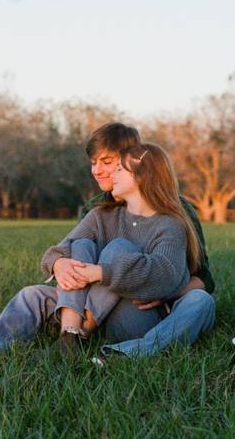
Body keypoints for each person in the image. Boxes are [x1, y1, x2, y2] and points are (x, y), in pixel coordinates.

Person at [0, 136, 214, 360]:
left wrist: (100, 273)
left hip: (136, 317)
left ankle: (122, 351)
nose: (110, 175)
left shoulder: (170, 223)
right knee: (34, 292)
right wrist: (60, 263)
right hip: (91, 306)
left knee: (200, 301)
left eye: (118, 169)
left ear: (143, 176)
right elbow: (59, 250)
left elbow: (166, 274)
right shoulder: (100, 214)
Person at [77, 123, 216, 362]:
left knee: (202, 301)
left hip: (158, 307)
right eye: (93, 162)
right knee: (117, 249)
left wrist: (165, 290)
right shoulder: (96, 210)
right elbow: (78, 263)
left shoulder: (178, 211)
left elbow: (204, 277)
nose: (97, 170)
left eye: (108, 162)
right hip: (110, 306)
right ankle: (85, 337)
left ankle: (136, 351)